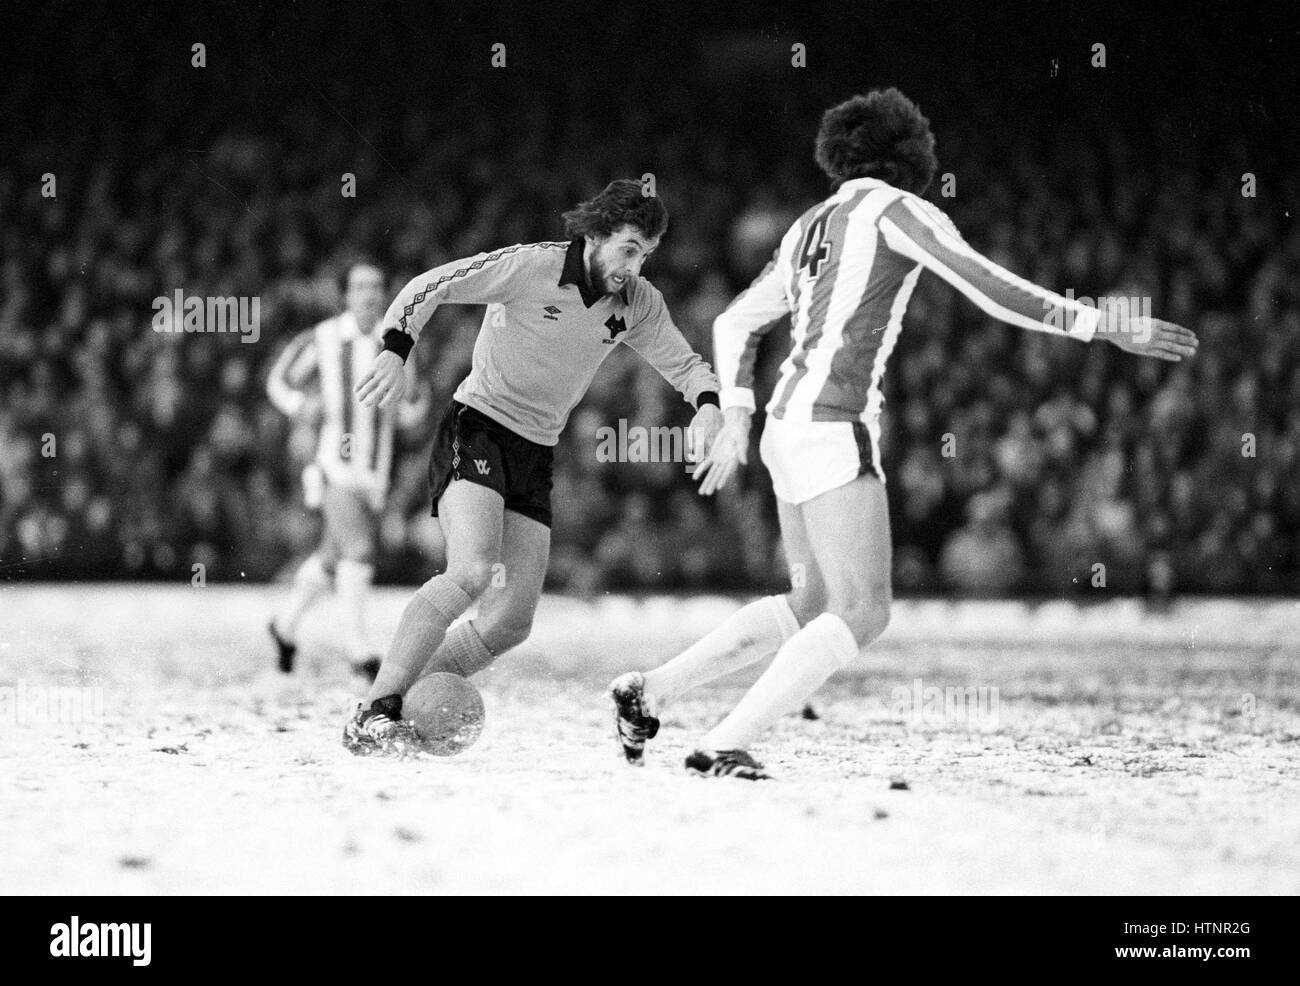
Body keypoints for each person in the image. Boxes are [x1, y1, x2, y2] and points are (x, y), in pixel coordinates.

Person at [611, 88, 1198, 779]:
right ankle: (725, 741)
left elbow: (735, 321)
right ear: (909, 152)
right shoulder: (898, 210)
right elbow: (987, 285)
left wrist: (738, 410)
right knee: (864, 610)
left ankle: (648, 691)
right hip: (833, 424)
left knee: (811, 602)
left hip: (784, 424)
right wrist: (1102, 323)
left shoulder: (811, 223)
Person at [343, 179, 723, 755]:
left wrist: (709, 406)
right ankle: (375, 708)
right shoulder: (530, 267)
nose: (635, 265)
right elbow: (433, 284)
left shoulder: (638, 302)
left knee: (511, 621)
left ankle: (407, 698)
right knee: (471, 571)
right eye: (627, 248)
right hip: (477, 426)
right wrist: (397, 348)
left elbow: (684, 362)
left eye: (646, 254)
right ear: (594, 236)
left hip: (535, 450)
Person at [266, 261, 428, 680]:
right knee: (359, 551)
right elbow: (279, 381)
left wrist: (407, 399)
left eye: (376, 286)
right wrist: (303, 407)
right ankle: (360, 653)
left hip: (375, 471)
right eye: (359, 286)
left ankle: (283, 628)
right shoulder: (322, 338)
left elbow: (414, 412)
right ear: (345, 295)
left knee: (332, 559)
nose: (369, 294)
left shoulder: (399, 345)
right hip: (331, 464)